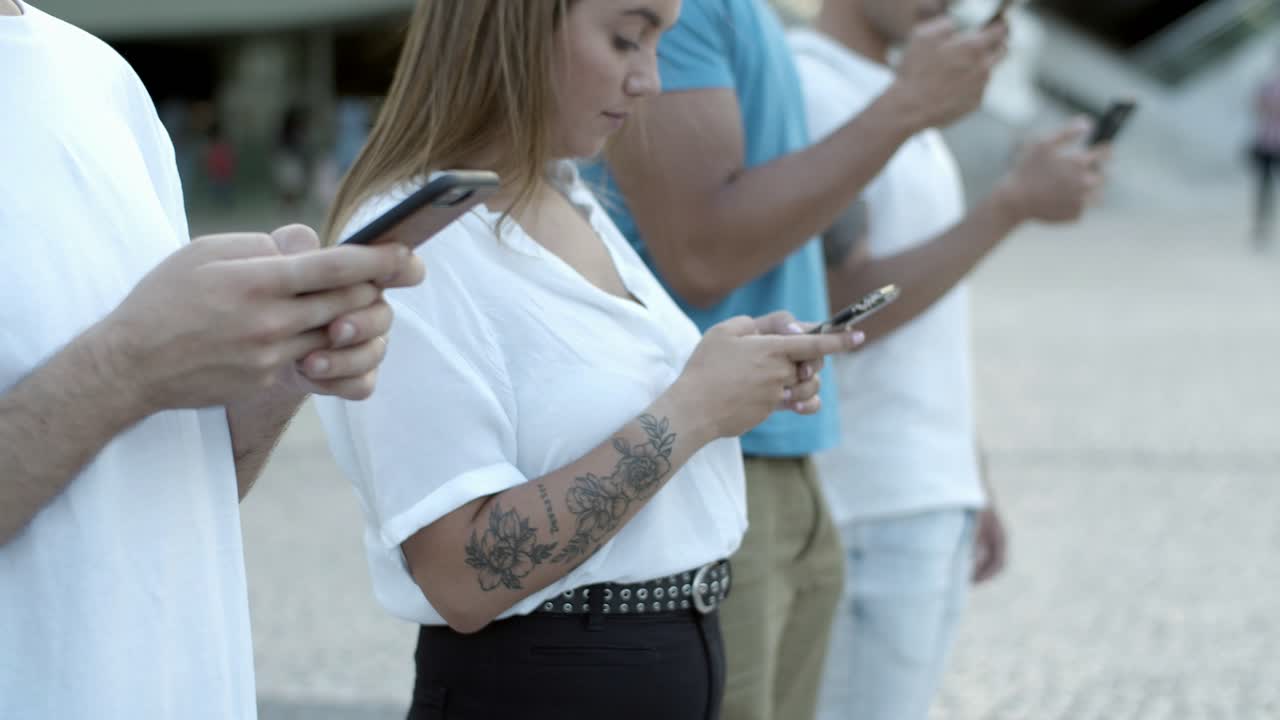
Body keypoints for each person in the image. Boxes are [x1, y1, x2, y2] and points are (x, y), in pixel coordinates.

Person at [313, 2, 862, 718]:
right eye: (627, 39)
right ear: (516, 26)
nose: (651, 80)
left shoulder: (566, 195)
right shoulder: (414, 244)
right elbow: (461, 572)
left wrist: (733, 372)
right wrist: (694, 409)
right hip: (545, 681)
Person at [0, 2, 424, 718]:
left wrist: (275, 365)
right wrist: (129, 365)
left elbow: (163, 492)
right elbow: (122, 377)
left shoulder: (100, 77)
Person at [586, 1, 1005, 718]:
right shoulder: (723, 23)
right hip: (736, 460)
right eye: (630, 42)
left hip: (799, 458)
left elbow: (830, 262)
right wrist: (1000, 196)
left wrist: (971, 465)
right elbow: (704, 254)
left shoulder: (760, 27)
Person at [790, 2, 1109, 719]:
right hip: (864, 496)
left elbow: (926, 323)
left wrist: (970, 469)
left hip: (921, 488)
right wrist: (1009, 206)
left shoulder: (896, 93)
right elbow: (836, 306)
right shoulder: (811, 86)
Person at [1251, 56, 1280, 250]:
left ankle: (1262, 227)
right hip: (1267, 143)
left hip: (1268, 142)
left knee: (1265, 188)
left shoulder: (1268, 84)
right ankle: (1262, 227)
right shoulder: (1269, 83)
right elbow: (1259, 107)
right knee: (1264, 188)